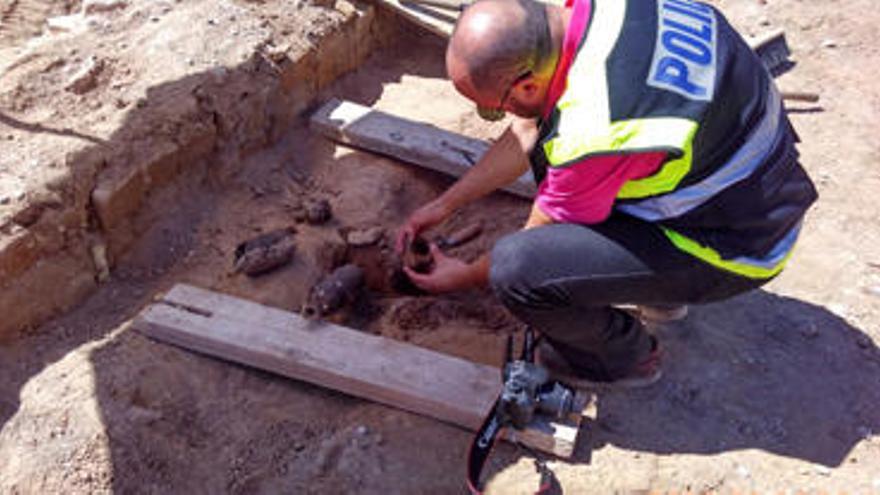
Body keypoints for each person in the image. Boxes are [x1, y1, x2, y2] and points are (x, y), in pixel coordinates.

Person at [397, 0, 817, 387]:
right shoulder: (595, 13)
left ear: (525, 85)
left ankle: (624, 358)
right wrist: (446, 203)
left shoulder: (596, 126)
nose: (497, 115)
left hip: (739, 246)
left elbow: (534, 240)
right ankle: (662, 288)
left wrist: (464, 276)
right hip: (752, 189)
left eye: (492, 107)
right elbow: (529, 126)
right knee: (556, 143)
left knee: (518, 271)